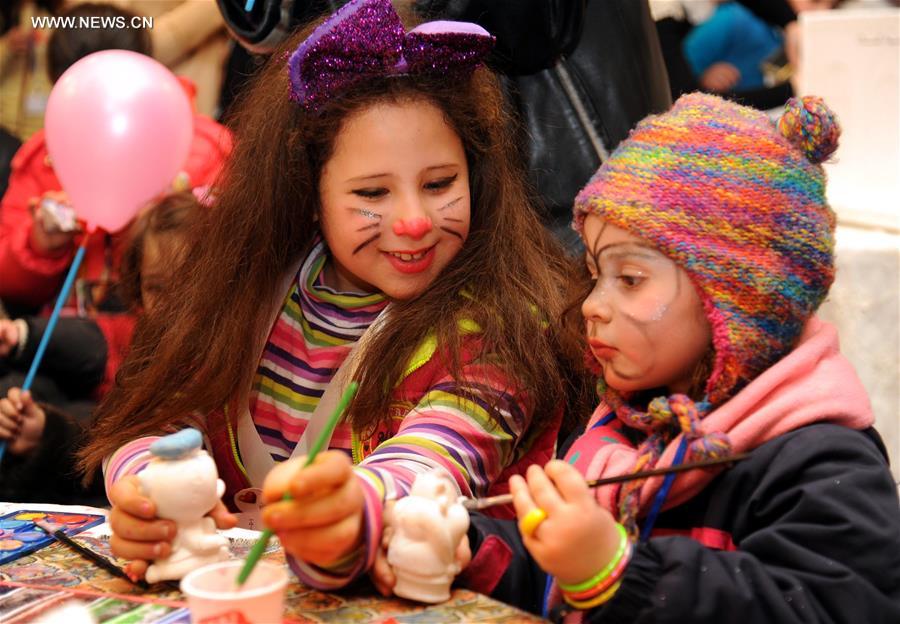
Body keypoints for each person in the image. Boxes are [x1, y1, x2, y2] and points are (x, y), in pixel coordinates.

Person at [77, 0, 587, 589]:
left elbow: (433, 464)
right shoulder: (251, 291)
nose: (415, 221)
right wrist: (147, 492)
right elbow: (164, 417)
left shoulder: (501, 328)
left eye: (441, 184)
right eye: (372, 192)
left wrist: (349, 515)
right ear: (309, 193)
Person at [449, 94, 900, 622]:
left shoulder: (818, 462)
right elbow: (555, 575)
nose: (593, 306)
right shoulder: (627, 428)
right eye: (595, 274)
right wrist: (468, 547)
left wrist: (618, 574)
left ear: (734, 299)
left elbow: (835, 606)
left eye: (631, 279)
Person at [0, 2, 232, 314]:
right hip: (70, 346)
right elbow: (10, 283)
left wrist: (165, 227)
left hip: (169, 347)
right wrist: (40, 244)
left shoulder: (205, 151)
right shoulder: (44, 158)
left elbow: (234, 272)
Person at [0, 191, 201, 504]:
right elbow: (112, 444)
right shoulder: (140, 343)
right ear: (137, 287)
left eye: (189, 286)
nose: (172, 305)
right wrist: (44, 431)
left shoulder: (222, 359)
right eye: (156, 288)